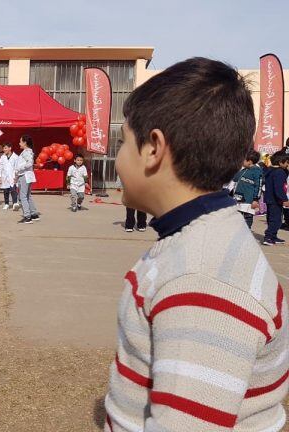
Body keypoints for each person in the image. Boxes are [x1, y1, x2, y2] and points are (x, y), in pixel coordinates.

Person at [104, 57, 289, 431]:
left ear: (154, 148)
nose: (119, 158)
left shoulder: (202, 279)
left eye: (123, 143)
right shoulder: (198, 244)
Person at [230, 150, 263, 229]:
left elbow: (259, 186)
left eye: (243, 160)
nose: (241, 162)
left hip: (249, 200)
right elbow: (235, 179)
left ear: (250, 161)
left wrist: (255, 199)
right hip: (239, 198)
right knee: (238, 217)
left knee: (247, 217)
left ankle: (246, 233)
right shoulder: (243, 170)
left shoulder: (257, 171)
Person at [262, 152, 289, 245]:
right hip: (275, 200)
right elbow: (278, 187)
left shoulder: (270, 170)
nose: (287, 165)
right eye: (287, 163)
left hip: (270, 198)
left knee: (271, 218)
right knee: (276, 220)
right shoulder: (280, 172)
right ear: (281, 162)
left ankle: (273, 236)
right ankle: (268, 237)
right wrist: (284, 199)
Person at [15, 135, 39, 222]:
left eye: (20, 141)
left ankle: (27, 216)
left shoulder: (26, 152)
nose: (19, 143)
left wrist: (19, 169)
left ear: (25, 142)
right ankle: (34, 214)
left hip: (24, 175)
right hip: (27, 175)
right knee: (28, 195)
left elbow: (29, 163)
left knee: (23, 196)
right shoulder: (28, 151)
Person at [0, 142, 18, 210]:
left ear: (10, 148)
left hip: (12, 176)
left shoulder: (15, 157)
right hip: (4, 176)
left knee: (13, 190)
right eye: (3, 148)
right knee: (5, 191)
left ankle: (15, 203)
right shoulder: (2, 157)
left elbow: (17, 168)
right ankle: (6, 204)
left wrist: (16, 177)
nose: (4, 149)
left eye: (5, 148)